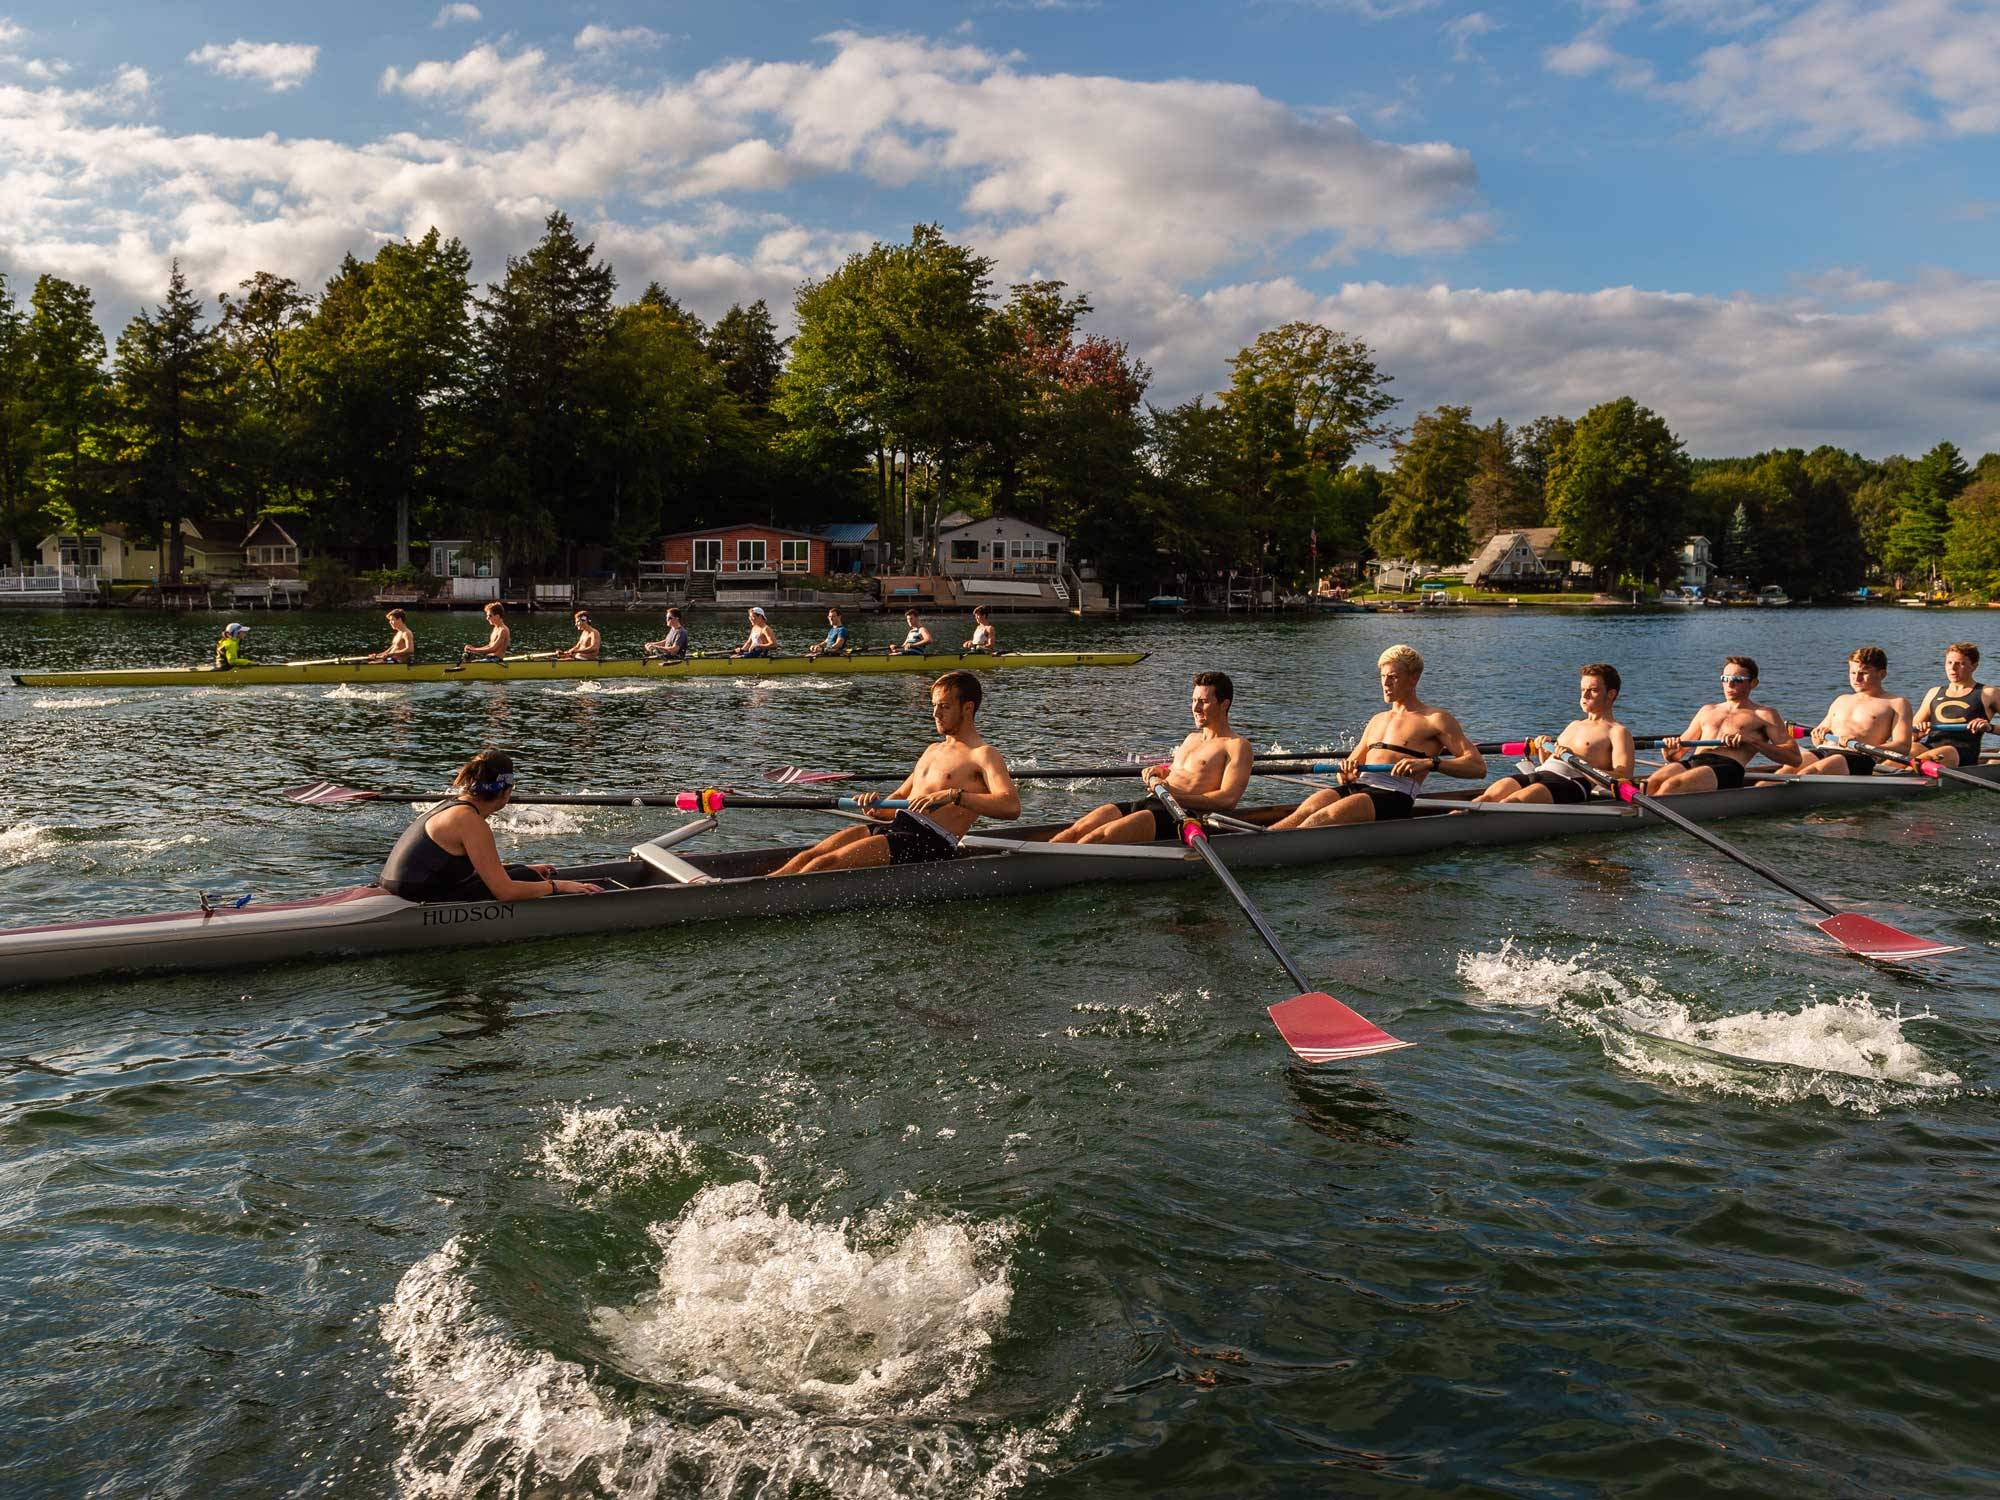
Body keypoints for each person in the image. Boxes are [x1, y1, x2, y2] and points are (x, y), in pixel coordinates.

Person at [770, 671, 1019, 873]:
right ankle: (766, 884)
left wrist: (953, 795)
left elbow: (1010, 807)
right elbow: (897, 800)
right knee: (810, 855)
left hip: (929, 842)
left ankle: (769, 900)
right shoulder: (932, 750)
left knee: (825, 865)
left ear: (967, 708)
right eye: (933, 706)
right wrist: (875, 806)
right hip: (897, 826)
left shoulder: (984, 754)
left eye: (944, 706)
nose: (935, 714)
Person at [1270, 645, 1486, 826]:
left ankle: (1270, 851)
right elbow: (1347, 772)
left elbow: (1477, 767)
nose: (1385, 683)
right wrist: (1345, 774)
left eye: (1393, 677)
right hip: (1358, 788)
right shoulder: (1377, 720)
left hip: (1394, 795)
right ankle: (1263, 839)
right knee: (1308, 807)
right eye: (1383, 677)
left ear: (1413, 679)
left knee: (1321, 817)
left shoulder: (1435, 719)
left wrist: (1430, 763)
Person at [1050, 671, 1253, 843]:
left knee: (1099, 837)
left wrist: (1175, 795)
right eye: (1193, 701)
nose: (1195, 708)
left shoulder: (1237, 746)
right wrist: (1160, 771)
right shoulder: (1191, 739)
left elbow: (1228, 800)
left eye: (1203, 701)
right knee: (1075, 831)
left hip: (1180, 816)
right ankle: (1038, 859)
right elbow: (1184, 773)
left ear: (1224, 704)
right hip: (1149, 801)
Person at [378, 750, 603, 902]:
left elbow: (455, 864)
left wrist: (516, 868)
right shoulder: (470, 821)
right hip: (416, 894)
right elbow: (505, 892)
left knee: (522, 872)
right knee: (527, 880)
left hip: (400, 885)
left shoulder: (451, 806)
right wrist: (558, 886)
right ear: (506, 792)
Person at [1476, 663, 1634, 803]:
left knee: (1511, 802)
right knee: (1486, 798)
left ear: (1610, 694)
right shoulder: (1574, 725)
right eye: (1583, 690)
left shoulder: (1617, 731)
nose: (1584, 696)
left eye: (1592, 691)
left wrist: (1576, 762)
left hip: (1570, 783)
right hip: (1540, 774)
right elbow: (1548, 762)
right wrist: (1543, 750)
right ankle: (1458, 815)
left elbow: (1623, 777)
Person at [1644, 655, 1803, 794]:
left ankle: (1648, 818)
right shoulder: (1707, 710)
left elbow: (1795, 759)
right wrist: (1668, 750)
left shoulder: (1764, 714)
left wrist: (1752, 741)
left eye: (1737, 680)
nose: (1729, 684)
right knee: (1652, 782)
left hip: (1728, 768)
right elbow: (1675, 756)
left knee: (1673, 784)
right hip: (1696, 761)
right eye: (1725, 679)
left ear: (1753, 683)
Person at [1785, 646, 1912, 777]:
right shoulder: (1841, 700)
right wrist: (1817, 736)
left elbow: (1903, 746)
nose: (1856, 679)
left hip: (1859, 756)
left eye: (1864, 673)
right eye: (1853, 673)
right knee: (1787, 769)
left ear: (1882, 674)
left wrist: (1864, 745)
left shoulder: (1897, 703)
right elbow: (1818, 740)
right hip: (1825, 750)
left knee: (1808, 773)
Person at [1909, 641, 1999, 768]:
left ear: (1974, 666)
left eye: (1960, 664)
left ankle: (1899, 777)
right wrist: (1917, 734)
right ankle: (1878, 773)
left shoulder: (1989, 693)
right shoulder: (1933, 692)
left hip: (1961, 755)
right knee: (1911, 748)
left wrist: (1990, 728)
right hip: (1930, 748)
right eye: (1949, 663)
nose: (1952, 668)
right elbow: (1911, 733)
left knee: (1947, 751)